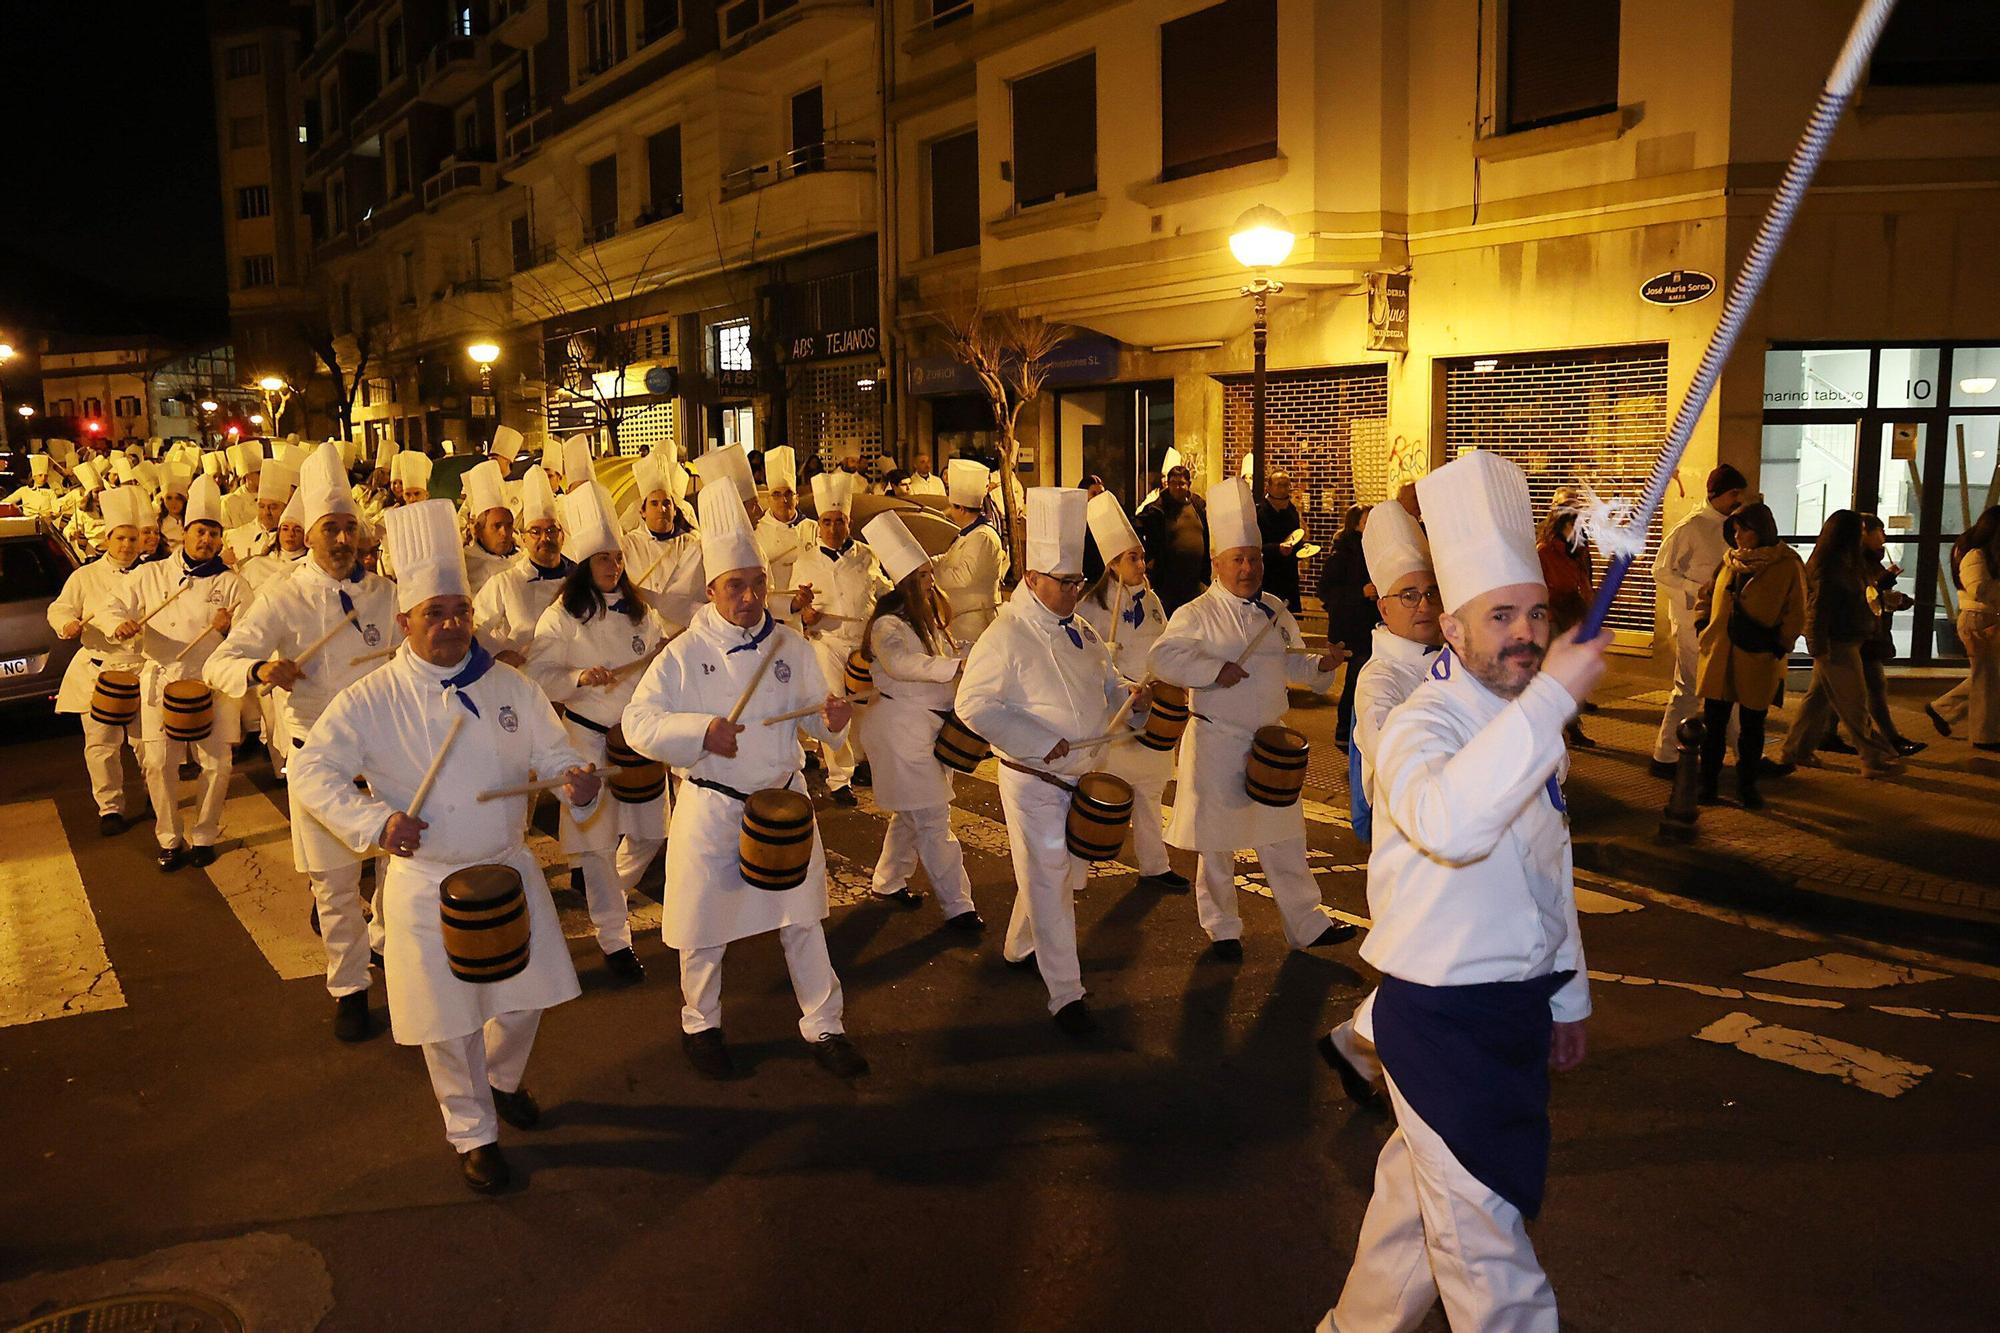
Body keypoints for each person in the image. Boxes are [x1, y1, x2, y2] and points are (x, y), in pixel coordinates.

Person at [1326, 449, 1608, 1333]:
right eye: (1500, 615)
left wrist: (1567, 994)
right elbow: (1449, 820)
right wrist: (1551, 700)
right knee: (1490, 1261)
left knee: (1415, 1221)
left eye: (1536, 612)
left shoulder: (1527, 719)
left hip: (1511, 1011)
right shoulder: (1420, 723)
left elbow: (1548, 869)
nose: (1526, 632)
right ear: (1451, 628)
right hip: (1443, 1020)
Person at [291, 498, 597, 1194]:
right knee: (448, 1024)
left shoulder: (510, 685)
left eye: (461, 611)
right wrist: (376, 823)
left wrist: (574, 778)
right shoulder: (370, 697)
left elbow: (555, 753)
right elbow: (313, 770)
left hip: (509, 871)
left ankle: (503, 1079)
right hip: (426, 882)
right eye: (436, 613)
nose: (453, 624)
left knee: (524, 1002)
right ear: (405, 620)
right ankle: (473, 1132)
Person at [619, 476, 868, 1082]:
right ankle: (701, 1024)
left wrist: (832, 720)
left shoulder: (791, 646)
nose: (751, 596)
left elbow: (816, 718)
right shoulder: (682, 653)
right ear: (711, 589)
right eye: (737, 585)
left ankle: (825, 1025)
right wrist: (700, 732)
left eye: (758, 583)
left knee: (802, 920)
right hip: (712, 807)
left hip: (784, 803)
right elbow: (637, 723)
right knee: (703, 928)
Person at [206, 442, 403, 1043]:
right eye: (330, 529)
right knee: (334, 883)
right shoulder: (283, 596)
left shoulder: (385, 594)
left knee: (398, 866)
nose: (342, 539)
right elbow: (221, 661)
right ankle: (349, 989)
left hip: (386, 751)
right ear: (310, 534)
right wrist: (261, 668)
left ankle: (384, 943)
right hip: (318, 754)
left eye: (349, 528)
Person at [958, 487, 1141, 1037]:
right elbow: (972, 704)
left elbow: (1109, 683)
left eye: (1078, 582)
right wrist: (1038, 740)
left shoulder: (1082, 629)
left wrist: (1131, 697)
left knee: (1053, 876)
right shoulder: (1005, 635)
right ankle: (1066, 994)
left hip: (1080, 776)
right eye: (1064, 583)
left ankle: (1019, 946)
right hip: (1032, 779)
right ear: (1032, 579)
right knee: (1051, 880)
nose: (1074, 591)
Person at [1148, 477, 1354, 962]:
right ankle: (1222, 929)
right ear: (1217, 563)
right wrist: (1212, 670)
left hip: (1270, 745)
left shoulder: (1275, 610)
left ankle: (1308, 924)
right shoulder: (1196, 613)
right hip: (1217, 742)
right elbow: (1162, 658)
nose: (1248, 568)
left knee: (1285, 837)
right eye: (1238, 559)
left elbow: (1294, 664)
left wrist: (1323, 665)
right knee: (1217, 845)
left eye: (1254, 559)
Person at [1317, 499, 1441, 1108]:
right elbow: (1389, 746)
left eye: (1431, 592)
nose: (1424, 606)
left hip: (1450, 843)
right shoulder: (1379, 678)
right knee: (1428, 971)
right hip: (1411, 850)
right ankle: (1374, 1056)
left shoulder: (1454, 659)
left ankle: (1356, 1044)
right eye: (1408, 595)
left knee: (1432, 970)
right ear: (1382, 606)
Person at [528, 482, 669, 982]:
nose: (613, 565)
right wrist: (578, 677)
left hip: (637, 740)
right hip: (586, 738)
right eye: (604, 558)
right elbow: (538, 674)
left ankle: (608, 893)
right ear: (585, 564)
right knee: (599, 845)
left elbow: (661, 662)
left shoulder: (642, 611)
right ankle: (614, 938)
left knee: (650, 833)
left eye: (617, 557)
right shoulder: (562, 616)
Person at [106, 476, 249, 870]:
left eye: (214, 534)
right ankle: (169, 838)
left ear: (220, 539)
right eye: (200, 531)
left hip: (212, 681)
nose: (206, 539)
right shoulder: (150, 575)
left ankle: (204, 835)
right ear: (184, 532)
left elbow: (251, 634)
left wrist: (228, 629)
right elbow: (112, 606)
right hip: (162, 678)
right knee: (157, 763)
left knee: (217, 764)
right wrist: (120, 625)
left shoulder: (232, 584)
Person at [853, 511, 983, 929]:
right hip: (901, 732)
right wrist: (951, 667)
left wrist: (976, 652)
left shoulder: (925, 617)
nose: (932, 581)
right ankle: (958, 906)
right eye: (924, 575)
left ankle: (888, 881)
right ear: (907, 582)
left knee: (912, 814)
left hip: (926, 728)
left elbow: (948, 651)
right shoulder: (887, 625)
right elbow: (900, 662)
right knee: (932, 820)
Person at [1074, 491, 1187, 894]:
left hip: (1153, 712)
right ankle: (1075, 869)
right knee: (1102, 792)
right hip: (1117, 715)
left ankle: (1155, 866)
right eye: (1132, 559)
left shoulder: (1152, 601)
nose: (1141, 564)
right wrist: (1112, 669)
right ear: (1112, 565)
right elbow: (1084, 663)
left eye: (1141, 557)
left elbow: (1164, 645)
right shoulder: (1091, 608)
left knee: (1151, 791)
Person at [48, 485, 151, 836]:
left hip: (141, 668)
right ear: (107, 539)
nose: (127, 545)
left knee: (147, 743)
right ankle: (110, 808)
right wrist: (66, 623)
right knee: (102, 745)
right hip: (98, 670)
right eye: (120, 538)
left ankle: (155, 795)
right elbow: (60, 608)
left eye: (133, 539)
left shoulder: (153, 574)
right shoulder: (85, 576)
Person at [1771, 510, 1903, 779]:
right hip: (1837, 642)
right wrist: (1818, 646)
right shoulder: (1829, 568)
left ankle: (1795, 751)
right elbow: (1817, 611)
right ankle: (1873, 759)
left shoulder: (1848, 563)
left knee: (1817, 701)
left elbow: (1858, 597)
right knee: (1854, 702)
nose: (1865, 535)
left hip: (1847, 638)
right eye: (1861, 531)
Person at [1692, 501, 1805, 809]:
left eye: (1745, 529)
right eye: (1735, 529)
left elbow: (1796, 611)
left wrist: (1780, 644)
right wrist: (1703, 625)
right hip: (1719, 653)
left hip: (1758, 655)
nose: (1738, 536)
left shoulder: (1786, 564)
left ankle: (1747, 786)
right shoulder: (1729, 561)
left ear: (1762, 530)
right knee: (1713, 724)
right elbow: (1706, 596)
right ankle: (1708, 784)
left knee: (1752, 726)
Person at [789, 471, 889, 805]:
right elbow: (796, 606)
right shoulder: (805, 561)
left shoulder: (867, 555)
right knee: (833, 706)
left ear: (849, 523)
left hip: (862, 641)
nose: (833, 528)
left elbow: (881, 590)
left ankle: (861, 759)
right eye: (827, 522)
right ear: (819, 525)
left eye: (839, 521)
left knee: (864, 705)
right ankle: (839, 778)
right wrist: (805, 615)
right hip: (827, 641)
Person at [1650, 463, 1747, 774]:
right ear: (1716, 493)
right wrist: (1698, 589)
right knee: (1689, 689)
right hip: (1692, 620)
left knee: (1729, 688)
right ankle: (1666, 756)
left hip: (1722, 619)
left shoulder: (1732, 525)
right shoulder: (1690, 527)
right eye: (1734, 493)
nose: (1738, 499)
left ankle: (1745, 754)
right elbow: (1661, 571)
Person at [1822, 514, 1922, 757]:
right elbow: (1862, 595)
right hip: (1855, 633)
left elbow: (1872, 595)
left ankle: (1821, 737)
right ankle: (1885, 743)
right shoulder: (1847, 561)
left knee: (1828, 694)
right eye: (1879, 530)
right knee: (1866, 690)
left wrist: (1894, 598)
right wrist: (1883, 585)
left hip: (1865, 630)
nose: (1884, 536)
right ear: (1863, 533)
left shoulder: (1865, 559)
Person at [473, 467, 571, 667]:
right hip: (525, 676)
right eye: (535, 531)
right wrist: (498, 654)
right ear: (524, 538)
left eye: (551, 530)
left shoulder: (580, 578)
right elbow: (475, 626)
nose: (545, 538)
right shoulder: (505, 582)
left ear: (562, 536)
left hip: (575, 676)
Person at [1925, 504, 2000, 750]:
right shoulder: (1975, 555)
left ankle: (1943, 709)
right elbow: (1979, 589)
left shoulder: (1984, 554)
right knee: (1986, 679)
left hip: (1986, 619)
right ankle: (1983, 736)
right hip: (1979, 620)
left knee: (1986, 676)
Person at [618, 453, 706, 632]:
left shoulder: (692, 545)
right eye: (654, 504)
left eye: (667, 503)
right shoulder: (627, 545)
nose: (662, 509)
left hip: (681, 632)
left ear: (675, 510)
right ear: (642, 512)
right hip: (638, 629)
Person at [1537, 494, 1597, 748]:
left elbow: (1585, 582)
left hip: (1573, 615)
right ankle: (1556, 727)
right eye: (1575, 523)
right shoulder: (1545, 551)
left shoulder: (1578, 551)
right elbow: (1540, 587)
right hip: (1554, 616)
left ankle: (1572, 725)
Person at [1317, 504, 1377, 748]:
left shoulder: (1375, 550)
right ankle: (1344, 730)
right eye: (1367, 522)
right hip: (1353, 626)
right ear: (1355, 525)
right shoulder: (1342, 554)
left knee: (1365, 678)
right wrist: (1360, 592)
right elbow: (1326, 592)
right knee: (1356, 679)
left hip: (1371, 624)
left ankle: (1356, 729)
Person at [934, 458, 1005, 642]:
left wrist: (932, 576)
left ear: (962, 510)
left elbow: (963, 577)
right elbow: (948, 558)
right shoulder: (968, 534)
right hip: (961, 618)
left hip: (975, 621)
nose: (950, 512)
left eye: (953, 507)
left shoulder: (983, 536)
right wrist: (928, 563)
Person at [1136, 463, 1209, 614]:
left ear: (1189, 484)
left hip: (1194, 581)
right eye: (1173, 483)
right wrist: (1148, 558)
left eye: (1181, 483)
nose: (1177, 487)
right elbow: (1137, 527)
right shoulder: (1157, 509)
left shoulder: (1198, 505)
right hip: (1168, 583)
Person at [754, 445, 813, 596]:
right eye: (776, 494)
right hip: (772, 603)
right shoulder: (756, 532)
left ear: (797, 498)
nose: (783, 500)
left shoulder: (814, 529)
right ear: (768, 499)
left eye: (788, 494)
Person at [459, 459, 517, 596]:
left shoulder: (523, 562)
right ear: (479, 530)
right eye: (497, 526)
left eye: (509, 525)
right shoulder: (464, 567)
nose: (504, 533)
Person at [223, 461, 293, 568]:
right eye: (262, 506)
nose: (266, 512)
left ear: (285, 508)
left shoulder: (291, 541)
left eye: (273, 507)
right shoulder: (233, 537)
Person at [1256, 468, 1306, 613]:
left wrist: (1301, 548)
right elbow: (1255, 546)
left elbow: (1295, 537)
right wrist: (1276, 548)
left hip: (1288, 576)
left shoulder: (1292, 511)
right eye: (1279, 485)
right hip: (1268, 576)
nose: (1283, 489)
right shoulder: (1259, 512)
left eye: (1286, 485)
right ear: (1269, 487)